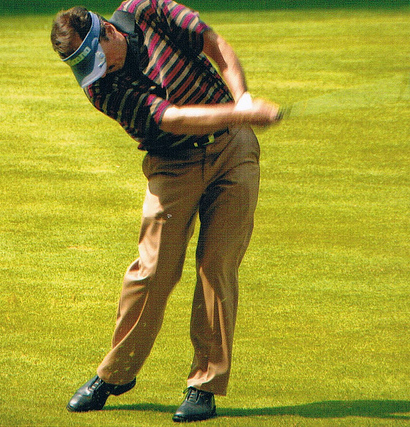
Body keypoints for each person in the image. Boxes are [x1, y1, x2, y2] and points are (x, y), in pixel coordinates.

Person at [51, 0, 281, 422]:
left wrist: (243, 98)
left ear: (109, 32)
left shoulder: (149, 10)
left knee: (217, 266)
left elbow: (212, 42)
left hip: (234, 151)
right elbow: (171, 119)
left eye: (99, 60)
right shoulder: (99, 87)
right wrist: (241, 111)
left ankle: (204, 385)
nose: (98, 71)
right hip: (172, 164)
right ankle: (116, 374)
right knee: (152, 272)